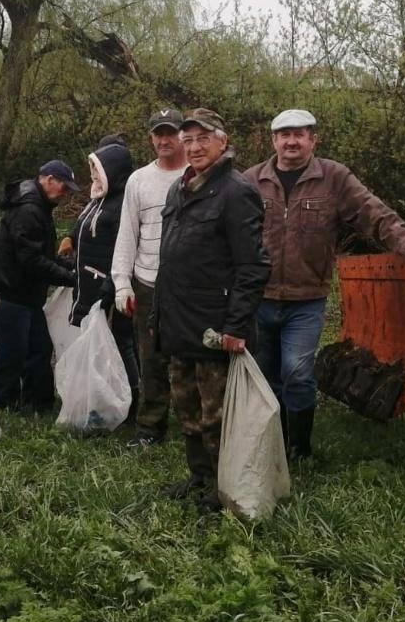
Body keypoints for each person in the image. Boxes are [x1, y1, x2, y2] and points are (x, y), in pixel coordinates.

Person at [244, 108, 405, 461]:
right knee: (266, 376)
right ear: (273, 140)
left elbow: (373, 213)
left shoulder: (333, 178)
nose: (292, 141)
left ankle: (300, 449)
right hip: (259, 298)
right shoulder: (251, 181)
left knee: (298, 374)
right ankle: (275, 449)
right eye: (284, 134)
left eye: (300, 134)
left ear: (313, 140)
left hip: (306, 300)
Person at [153, 108, 270, 510]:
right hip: (179, 323)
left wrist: (236, 326)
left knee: (216, 416)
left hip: (215, 328)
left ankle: (226, 488)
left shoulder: (237, 192)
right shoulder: (179, 189)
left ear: (223, 141)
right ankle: (200, 477)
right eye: (188, 140)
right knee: (186, 408)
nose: (195, 147)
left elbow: (253, 266)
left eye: (203, 138)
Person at [111, 108, 187, 446]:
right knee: (150, 358)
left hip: (189, 285)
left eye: (170, 132)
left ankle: (195, 427)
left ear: (183, 135)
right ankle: (150, 428)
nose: (164, 139)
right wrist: (122, 282)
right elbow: (127, 233)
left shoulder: (198, 175)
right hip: (146, 283)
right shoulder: (138, 180)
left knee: (190, 358)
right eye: (158, 133)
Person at [0, 160, 79, 411]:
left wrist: (65, 264)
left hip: (27, 295)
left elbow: (39, 252)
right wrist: (68, 277)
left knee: (38, 349)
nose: (65, 194)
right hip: (13, 293)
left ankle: (37, 402)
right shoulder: (29, 209)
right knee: (12, 354)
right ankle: (2, 403)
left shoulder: (37, 205)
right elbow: (31, 260)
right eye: (63, 187)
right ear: (48, 179)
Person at [69, 142, 139, 412]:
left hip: (109, 289)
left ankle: (130, 400)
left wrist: (111, 289)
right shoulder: (98, 200)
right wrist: (70, 238)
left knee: (122, 345)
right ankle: (100, 400)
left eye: (98, 171)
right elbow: (82, 227)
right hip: (88, 286)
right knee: (98, 347)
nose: (94, 177)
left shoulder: (122, 205)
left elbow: (123, 250)